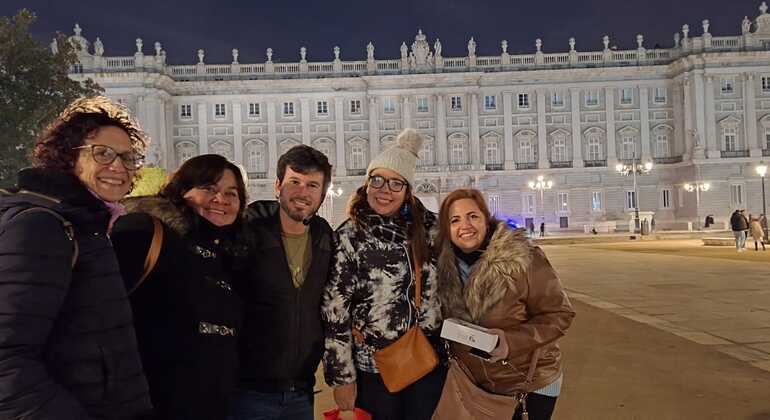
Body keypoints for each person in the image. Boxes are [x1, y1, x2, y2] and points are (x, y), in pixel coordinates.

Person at [0, 96, 153, 418]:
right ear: (66, 156)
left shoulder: (88, 225)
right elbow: (7, 362)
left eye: (128, 158)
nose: (118, 167)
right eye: (103, 153)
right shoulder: (42, 225)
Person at [112, 154, 251, 419]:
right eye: (209, 188)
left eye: (231, 193)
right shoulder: (146, 232)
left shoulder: (228, 253)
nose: (221, 199)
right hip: (153, 402)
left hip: (210, 403)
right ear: (182, 191)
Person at [322, 128, 445, 420]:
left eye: (395, 183)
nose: (384, 190)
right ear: (366, 184)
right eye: (377, 180)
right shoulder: (349, 237)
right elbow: (334, 311)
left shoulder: (432, 230)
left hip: (427, 361)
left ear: (407, 191)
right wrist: (342, 378)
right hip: (372, 367)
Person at [436, 189, 575, 420]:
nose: (465, 225)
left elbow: (559, 314)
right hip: (475, 384)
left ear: (486, 219)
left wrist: (510, 342)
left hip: (528, 383)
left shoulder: (523, 258)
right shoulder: (441, 268)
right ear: (447, 229)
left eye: (473, 216)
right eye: (455, 220)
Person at [229, 145, 333, 420]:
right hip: (249, 392)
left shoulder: (325, 238)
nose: (303, 192)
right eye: (294, 182)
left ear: (322, 194)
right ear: (278, 186)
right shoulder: (246, 234)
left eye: (312, 185)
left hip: (301, 391)